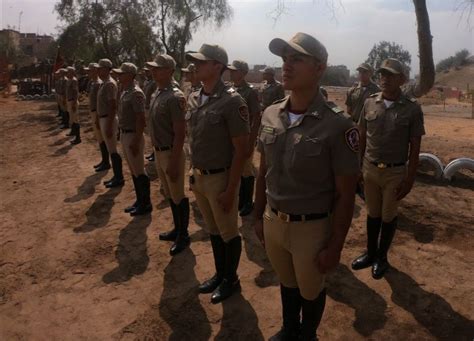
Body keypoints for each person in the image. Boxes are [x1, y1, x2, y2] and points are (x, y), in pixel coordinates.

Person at [253, 32, 360, 341]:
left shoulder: (338, 125)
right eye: (285, 59)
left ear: (319, 68)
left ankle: (307, 334)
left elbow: (345, 194)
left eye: (296, 59)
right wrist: (258, 215)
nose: (287, 65)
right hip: (275, 220)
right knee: (287, 282)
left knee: (311, 290)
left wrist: (335, 246)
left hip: (311, 228)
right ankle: (289, 329)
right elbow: (263, 171)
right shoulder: (271, 113)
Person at [186, 44, 249, 303]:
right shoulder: (194, 96)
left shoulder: (232, 101)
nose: (196, 66)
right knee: (213, 230)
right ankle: (220, 273)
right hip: (200, 176)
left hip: (220, 179)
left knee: (228, 232)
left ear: (218, 67)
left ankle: (231, 280)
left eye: (202, 62)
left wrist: (231, 189)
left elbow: (242, 151)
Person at [351, 58, 425, 279]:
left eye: (391, 75)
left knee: (388, 215)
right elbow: (361, 136)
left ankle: (382, 257)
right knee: (372, 213)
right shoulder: (370, 103)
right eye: (382, 74)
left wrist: (410, 179)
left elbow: (415, 148)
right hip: (370, 169)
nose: (385, 78)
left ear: (402, 79)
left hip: (394, 172)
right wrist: (357, 168)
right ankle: (371, 253)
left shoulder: (412, 109)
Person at [146, 54, 190, 255]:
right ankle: (177, 229)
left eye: (158, 68)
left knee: (178, 195)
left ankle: (184, 235)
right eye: (153, 68)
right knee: (170, 194)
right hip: (159, 151)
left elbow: (180, 133)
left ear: (170, 71)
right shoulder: (158, 93)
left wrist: (173, 162)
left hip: (171, 153)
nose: (154, 71)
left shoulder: (175, 96)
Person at [113, 62, 152, 216]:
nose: (119, 76)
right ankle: (139, 200)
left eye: (122, 73)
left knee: (139, 170)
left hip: (133, 135)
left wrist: (136, 141)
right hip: (125, 133)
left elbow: (141, 119)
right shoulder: (125, 91)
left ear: (130, 75)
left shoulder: (136, 93)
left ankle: (146, 203)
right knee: (133, 170)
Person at [228, 59, 261, 217]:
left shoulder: (250, 92)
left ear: (243, 72)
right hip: (232, 137)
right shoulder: (231, 90)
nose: (231, 73)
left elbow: (256, 117)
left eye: (235, 70)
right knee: (236, 169)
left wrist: (251, 142)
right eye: (231, 70)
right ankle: (240, 200)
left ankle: (247, 202)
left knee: (246, 170)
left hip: (245, 137)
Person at [97, 58, 125, 188]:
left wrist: (108, 124)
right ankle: (116, 175)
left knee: (113, 149)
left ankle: (119, 177)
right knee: (110, 148)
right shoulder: (104, 83)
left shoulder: (110, 84)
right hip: (104, 118)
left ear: (107, 69)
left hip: (109, 119)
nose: (98, 70)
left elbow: (113, 105)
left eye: (100, 68)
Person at [84, 63, 110, 171]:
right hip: (94, 111)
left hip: (98, 112)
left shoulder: (99, 83)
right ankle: (104, 160)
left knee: (102, 137)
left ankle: (106, 161)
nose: (88, 73)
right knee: (99, 137)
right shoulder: (92, 83)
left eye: (90, 71)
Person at [143, 67, 157, 162]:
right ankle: (154, 152)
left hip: (151, 108)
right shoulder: (148, 82)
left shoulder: (154, 83)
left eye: (148, 71)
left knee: (153, 132)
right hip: (147, 107)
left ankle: (155, 153)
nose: (146, 72)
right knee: (151, 132)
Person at [65, 66, 81, 145]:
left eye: (68, 72)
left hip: (73, 101)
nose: (67, 73)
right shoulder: (69, 80)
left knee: (75, 119)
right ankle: (73, 132)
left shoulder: (74, 80)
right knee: (72, 119)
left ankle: (78, 138)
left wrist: (74, 103)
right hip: (69, 101)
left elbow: (75, 92)